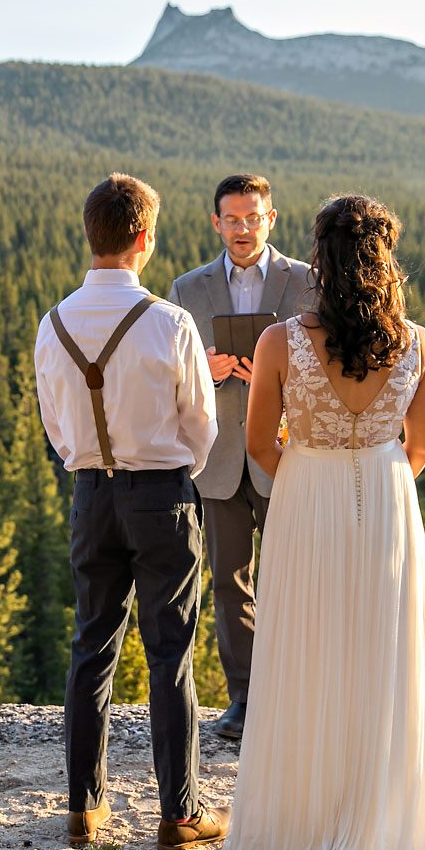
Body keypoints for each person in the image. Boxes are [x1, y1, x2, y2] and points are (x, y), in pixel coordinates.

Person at [217, 193, 425, 850]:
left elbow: (259, 444)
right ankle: (382, 820)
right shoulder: (418, 343)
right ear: (386, 261)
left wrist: (316, 466)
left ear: (319, 258)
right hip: (387, 502)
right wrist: (375, 476)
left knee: (307, 650)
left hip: (304, 499)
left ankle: (303, 821)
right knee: (381, 653)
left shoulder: (278, 342)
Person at [34, 172, 229, 850]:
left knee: (92, 646)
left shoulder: (51, 324)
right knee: (170, 654)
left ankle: (84, 808)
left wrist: (97, 464)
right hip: (161, 495)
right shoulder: (171, 324)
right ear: (145, 239)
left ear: (91, 235)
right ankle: (180, 812)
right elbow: (202, 424)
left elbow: (56, 427)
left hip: (91, 494)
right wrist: (174, 473)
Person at [167, 174, 315, 740]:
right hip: (222, 460)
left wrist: (277, 378)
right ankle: (246, 701)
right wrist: (203, 371)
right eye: (232, 219)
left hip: (287, 455)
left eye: (253, 217)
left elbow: (324, 371)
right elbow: (172, 377)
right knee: (230, 583)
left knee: (293, 579)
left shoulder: (307, 282)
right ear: (216, 223)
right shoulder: (187, 288)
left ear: (271, 219)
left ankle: (295, 696)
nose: (242, 229)